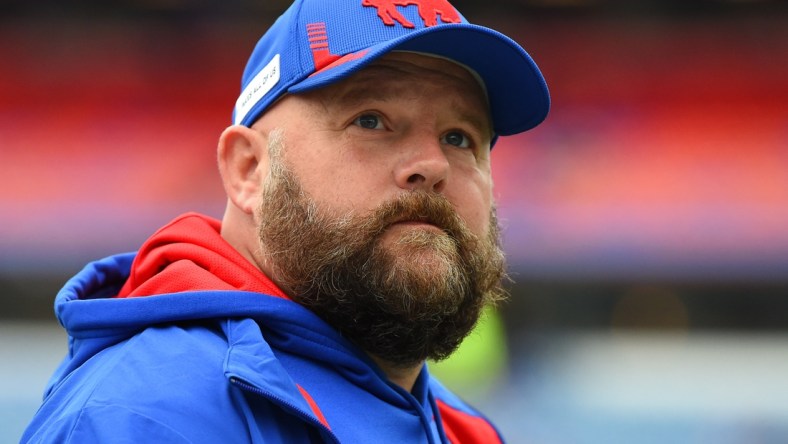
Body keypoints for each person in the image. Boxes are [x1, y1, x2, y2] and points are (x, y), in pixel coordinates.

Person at [22, 0, 549, 442]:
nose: (432, 165)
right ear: (249, 170)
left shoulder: (467, 431)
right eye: (371, 120)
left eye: (460, 137)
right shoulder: (143, 417)